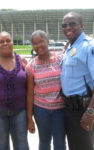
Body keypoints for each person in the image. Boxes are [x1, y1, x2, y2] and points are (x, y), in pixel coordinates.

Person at [26, 30, 66, 150]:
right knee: (44, 142)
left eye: (41, 41)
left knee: (60, 144)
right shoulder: (31, 66)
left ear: (47, 41)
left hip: (60, 109)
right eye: (35, 43)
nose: (38, 46)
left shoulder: (60, 59)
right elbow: (29, 94)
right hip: (41, 110)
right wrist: (29, 119)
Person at [61, 12, 94, 150]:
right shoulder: (70, 47)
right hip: (70, 108)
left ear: (81, 25)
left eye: (72, 24)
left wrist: (90, 112)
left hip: (84, 109)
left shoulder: (88, 47)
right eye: (64, 25)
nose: (68, 27)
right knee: (74, 146)